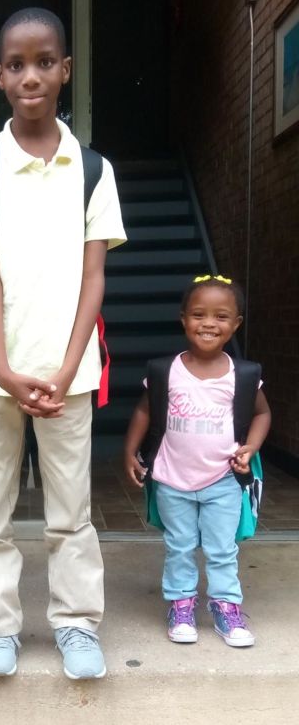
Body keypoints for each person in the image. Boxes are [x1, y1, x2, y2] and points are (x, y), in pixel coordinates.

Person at [0, 7, 126, 679]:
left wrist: (70, 367)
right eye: (16, 65)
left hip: (68, 376)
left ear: (65, 70)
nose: (31, 76)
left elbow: (94, 275)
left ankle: (76, 623)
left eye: (45, 62)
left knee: (71, 511)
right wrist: (6, 369)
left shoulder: (93, 170)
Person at [123, 275, 271, 647]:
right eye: (199, 314)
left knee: (223, 549)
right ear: (184, 319)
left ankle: (226, 606)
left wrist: (251, 447)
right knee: (179, 545)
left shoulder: (243, 375)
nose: (209, 323)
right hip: (172, 479)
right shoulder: (164, 371)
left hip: (223, 479)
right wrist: (129, 451)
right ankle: (181, 604)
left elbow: (262, 414)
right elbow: (143, 411)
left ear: (236, 323)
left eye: (221, 316)